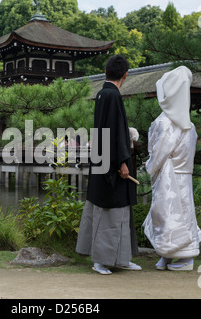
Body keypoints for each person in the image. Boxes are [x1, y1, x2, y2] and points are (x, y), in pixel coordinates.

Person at [76, 55, 141, 275]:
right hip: (112, 164)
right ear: (125, 75)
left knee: (115, 209)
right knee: (110, 210)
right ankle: (102, 261)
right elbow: (113, 132)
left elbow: (107, 132)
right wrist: (122, 162)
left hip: (103, 160)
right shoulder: (112, 96)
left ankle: (122, 258)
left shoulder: (102, 94)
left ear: (105, 73)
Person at [143, 66, 201, 271]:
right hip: (182, 176)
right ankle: (168, 255)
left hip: (170, 177)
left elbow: (159, 152)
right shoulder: (188, 124)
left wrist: (150, 166)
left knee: (168, 216)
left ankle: (183, 258)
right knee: (179, 215)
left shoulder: (166, 122)